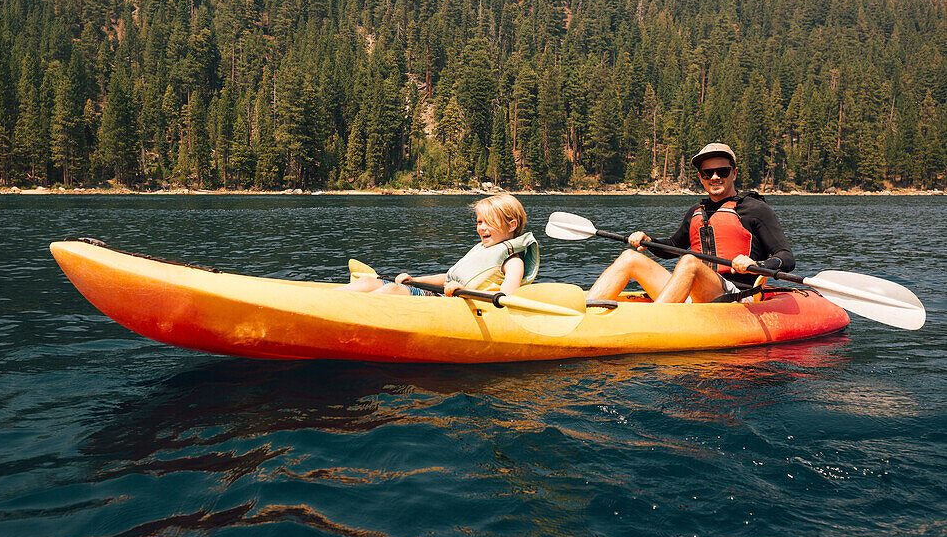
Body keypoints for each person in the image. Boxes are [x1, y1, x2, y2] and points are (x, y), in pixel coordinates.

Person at [586, 142, 794, 303]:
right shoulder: (696, 211)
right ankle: (588, 314)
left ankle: (656, 321)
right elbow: (674, 247)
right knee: (629, 258)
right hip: (698, 292)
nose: (715, 177)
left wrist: (757, 264)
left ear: (734, 173)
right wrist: (648, 240)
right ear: (701, 177)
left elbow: (785, 257)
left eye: (722, 171)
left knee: (689, 261)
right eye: (707, 173)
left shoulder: (755, 209)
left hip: (737, 295)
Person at [338, 193, 539, 297]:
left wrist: (464, 290)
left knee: (393, 291)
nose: (481, 228)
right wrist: (413, 279)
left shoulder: (513, 262)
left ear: (512, 225)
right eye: (479, 222)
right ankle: (319, 303)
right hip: (442, 295)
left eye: (489, 222)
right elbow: (449, 277)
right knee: (370, 281)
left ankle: (345, 315)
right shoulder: (483, 249)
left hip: (460, 305)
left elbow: (507, 295)